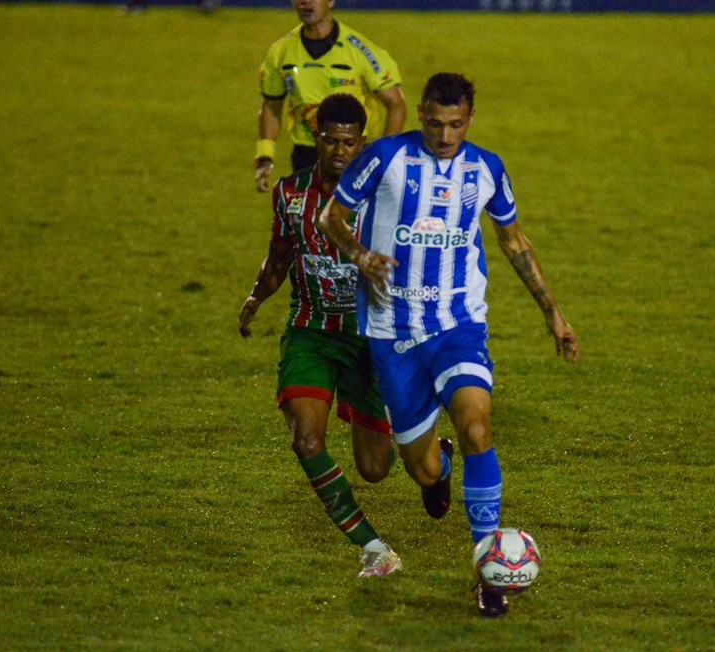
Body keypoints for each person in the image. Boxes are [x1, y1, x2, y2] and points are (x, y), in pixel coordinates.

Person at [318, 73, 579, 617]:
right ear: (420, 114)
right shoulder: (384, 158)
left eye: (455, 125)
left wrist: (553, 313)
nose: (444, 135)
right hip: (392, 333)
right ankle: (440, 466)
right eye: (434, 123)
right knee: (423, 472)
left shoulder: (487, 169)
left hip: (459, 323)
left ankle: (490, 574)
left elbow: (513, 240)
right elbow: (332, 218)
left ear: (470, 120)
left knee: (478, 425)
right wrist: (361, 256)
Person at [239, 93, 401, 579]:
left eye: (349, 143)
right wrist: (255, 298)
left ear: (363, 144)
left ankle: (429, 449)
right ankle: (373, 548)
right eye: (329, 140)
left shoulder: (385, 200)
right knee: (306, 439)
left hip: (369, 342)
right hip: (311, 333)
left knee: (375, 469)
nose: (338, 151)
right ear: (316, 138)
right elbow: (280, 257)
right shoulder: (290, 195)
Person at [255, 0, 407, 192]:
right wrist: (265, 156)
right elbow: (271, 104)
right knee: (308, 219)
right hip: (307, 153)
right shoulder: (281, 52)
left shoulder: (360, 51)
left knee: (352, 220)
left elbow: (396, 103)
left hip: (355, 153)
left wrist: (384, 156)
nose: (305, 2)